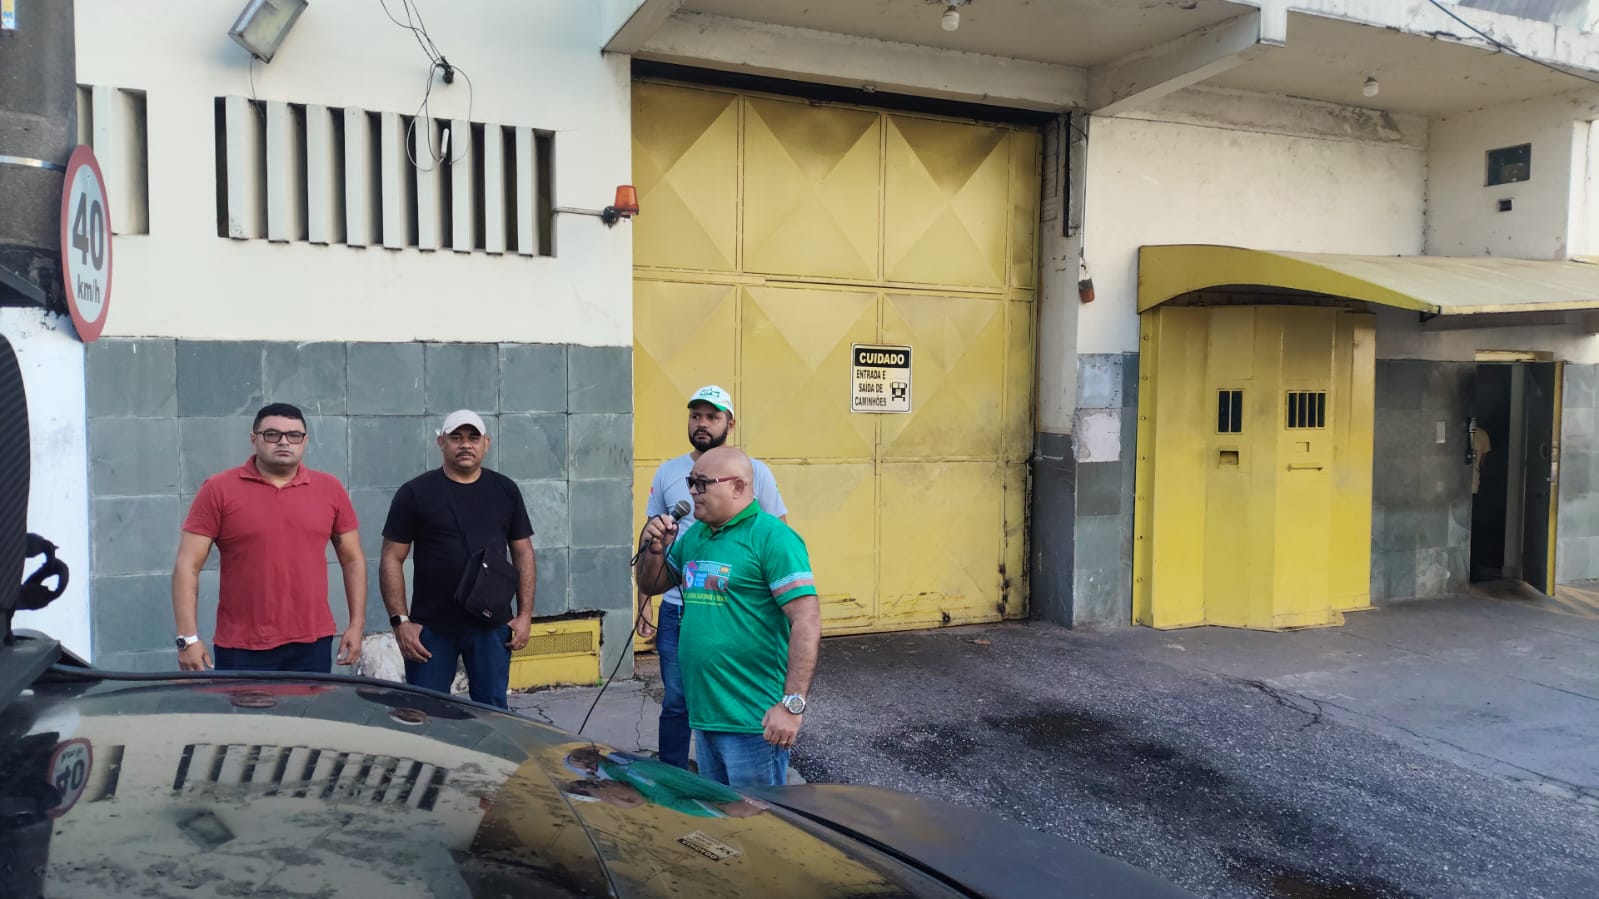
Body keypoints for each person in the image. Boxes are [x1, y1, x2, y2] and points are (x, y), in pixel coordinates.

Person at [634, 446, 820, 787]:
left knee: (756, 816)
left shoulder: (773, 538)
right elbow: (651, 583)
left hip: (753, 721)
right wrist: (655, 549)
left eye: (702, 483)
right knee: (720, 814)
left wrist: (791, 706)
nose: (692, 491)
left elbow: (806, 621)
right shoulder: (695, 535)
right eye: (691, 482)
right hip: (705, 716)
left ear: (738, 487)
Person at [636, 384, 787, 771]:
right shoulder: (669, 472)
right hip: (679, 606)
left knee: (730, 705)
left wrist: (792, 701)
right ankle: (676, 778)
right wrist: (643, 602)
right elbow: (650, 536)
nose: (702, 423)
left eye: (712, 416)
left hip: (733, 609)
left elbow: (777, 536)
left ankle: (734, 771)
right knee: (678, 701)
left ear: (729, 423)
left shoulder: (753, 472)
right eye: (695, 415)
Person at [172, 402, 366, 672]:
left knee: (311, 703)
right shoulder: (218, 489)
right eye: (272, 434)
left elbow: (353, 559)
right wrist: (187, 639)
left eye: (294, 435)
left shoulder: (330, 489)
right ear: (254, 439)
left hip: (312, 643)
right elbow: (187, 565)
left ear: (305, 441)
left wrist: (356, 624)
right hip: (242, 646)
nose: (284, 442)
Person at [379, 409, 535, 709]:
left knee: (492, 714)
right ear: (441, 442)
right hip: (430, 630)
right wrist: (401, 622)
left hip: (492, 628)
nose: (465, 444)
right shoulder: (415, 493)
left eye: (473, 438)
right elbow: (391, 558)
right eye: (456, 437)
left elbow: (523, 552)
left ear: (486, 443)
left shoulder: (505, 490)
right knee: (426, 714)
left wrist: (525, 615)